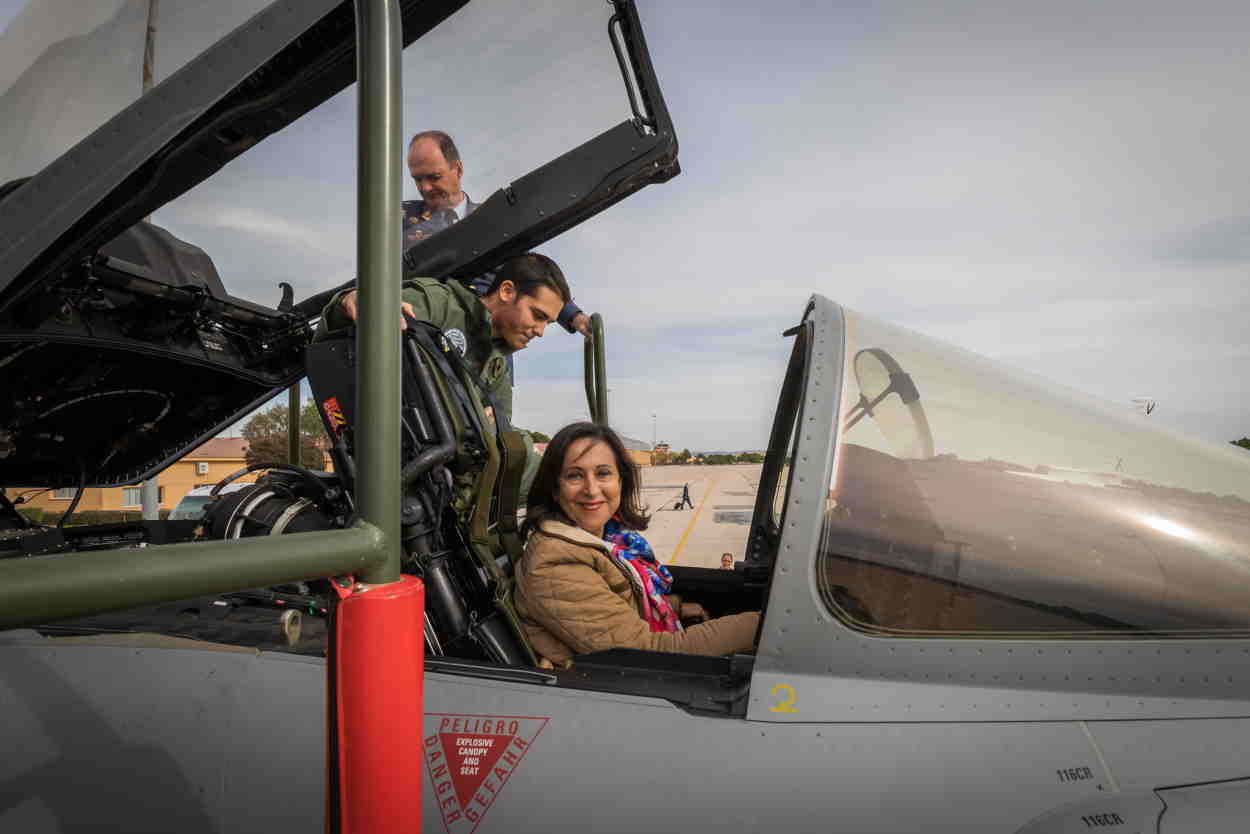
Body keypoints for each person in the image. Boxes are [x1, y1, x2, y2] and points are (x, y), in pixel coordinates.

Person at [512, 422, 759, 667]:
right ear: (555, 490)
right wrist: (765, 626)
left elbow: (619, 604)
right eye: (574, 475)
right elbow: (650, 654)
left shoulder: (607, 541)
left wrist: (677, 607)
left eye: (603, 473)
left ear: (621, 480)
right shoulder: (555, 563)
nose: (591, 489)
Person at [319, 252, 570, 427]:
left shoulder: (497, 368)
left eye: (547, 322)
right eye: (538, 316)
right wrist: (347, 302)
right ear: (506, 291)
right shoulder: (439, 305)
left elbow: (499, 435)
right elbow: (344, 329)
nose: (540, 331)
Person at [404, 130, 590, 337]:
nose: (426, 187)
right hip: (424, 341)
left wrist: (574, 316)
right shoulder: (397, 220)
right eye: (418, 179)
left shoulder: (494, 220)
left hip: (487, 344)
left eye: (434, 177)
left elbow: (529, 275)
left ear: (457, 168)